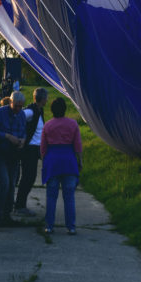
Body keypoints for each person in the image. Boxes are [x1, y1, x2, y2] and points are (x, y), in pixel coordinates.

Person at [40, 97, 83, 235]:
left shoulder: (47, 125)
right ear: (65, 109)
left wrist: (44, 162)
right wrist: (80, 161)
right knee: (69, 196)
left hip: (53, 161)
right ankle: (71, 227)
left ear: (52, 110)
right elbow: (77, 146)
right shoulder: (73, 124)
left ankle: (49, 226)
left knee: (51, 196)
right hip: (69, 161)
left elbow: (43, 148)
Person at [0, 90, 26, 226]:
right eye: (16, 105)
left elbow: (23, 131)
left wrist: (23, 140)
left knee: (11, 185)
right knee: (4, 183)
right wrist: (7, 136)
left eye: (21, 106)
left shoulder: (21, 114)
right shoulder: (0, 113)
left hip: (14, 155)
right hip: (0, 153)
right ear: (10, 102)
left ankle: (7, 215)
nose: (18, 109)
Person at [14, 87, 48, 215]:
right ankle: (19, 206)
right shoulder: (31, 111)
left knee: (30, 178)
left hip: (35, 150)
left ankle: (20, 204)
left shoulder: (39, 110)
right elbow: (19, 115)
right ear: (42, 99)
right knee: (27, 178)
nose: (47, 100)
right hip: (29, 150)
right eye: (46, 97)